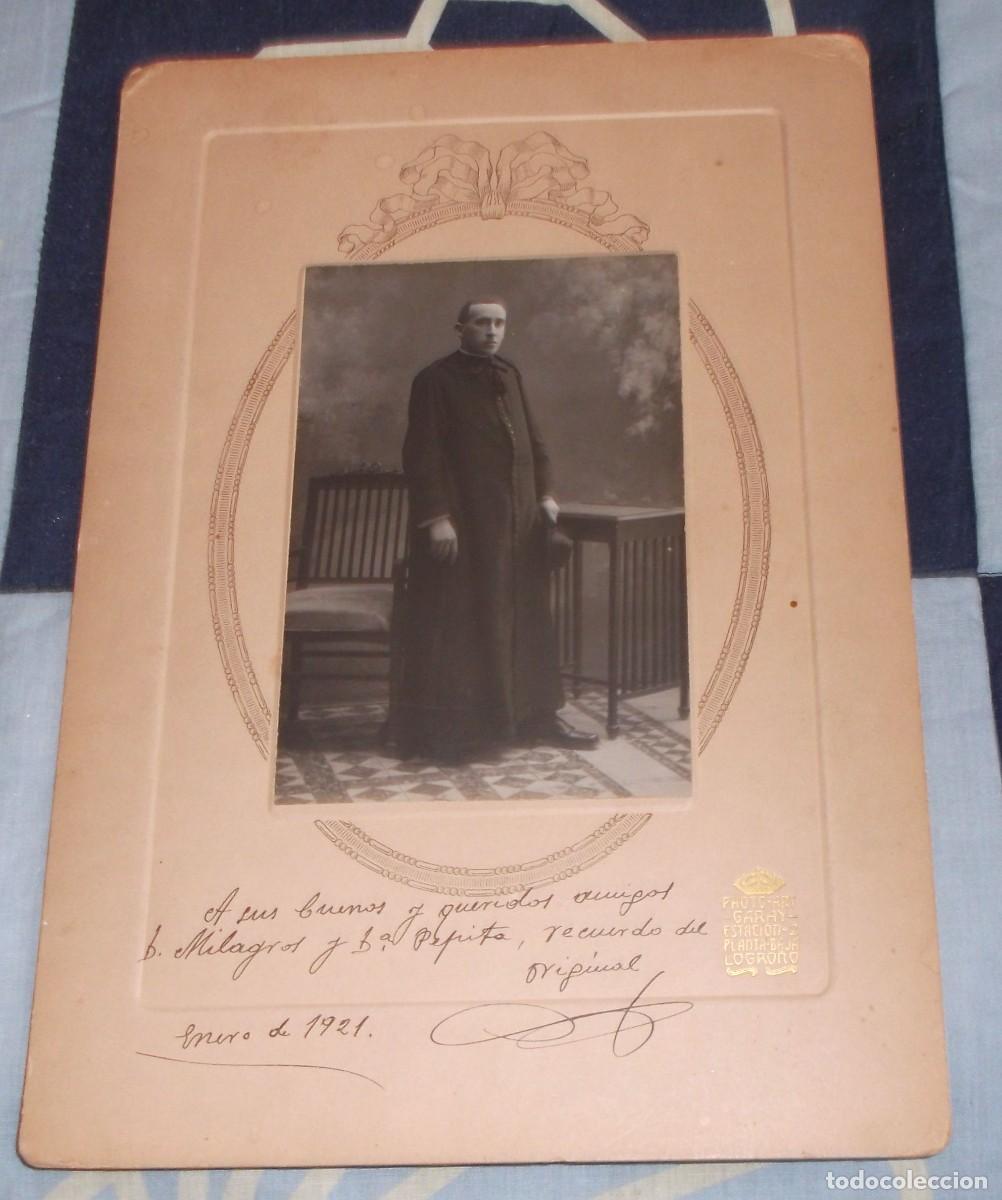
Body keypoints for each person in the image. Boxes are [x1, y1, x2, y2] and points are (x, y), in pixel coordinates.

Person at [397, 299, 598, 762]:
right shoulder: (434, 380)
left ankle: (537, 717)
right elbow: (421, 454)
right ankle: (465, 731)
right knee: (468, 619)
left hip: (518, 519)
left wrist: (546, 493)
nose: (492, 331)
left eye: (500, 323)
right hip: (464, 523)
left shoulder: (509, 374)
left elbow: (535, 440)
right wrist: (436, 518)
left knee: (527, 618)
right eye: (482, 322)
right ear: (460, 328)